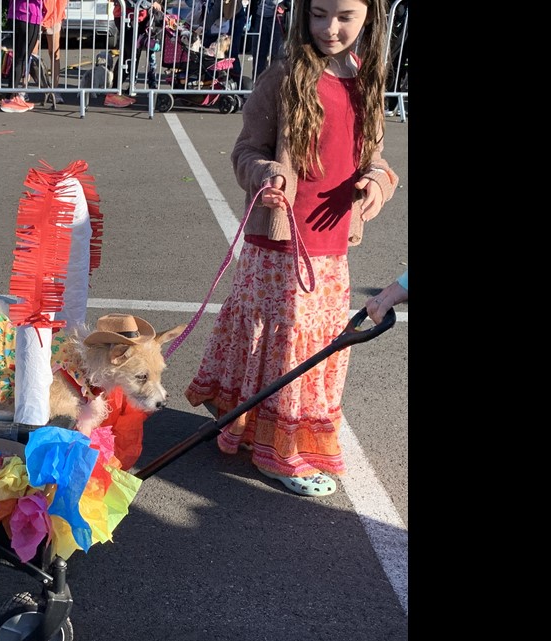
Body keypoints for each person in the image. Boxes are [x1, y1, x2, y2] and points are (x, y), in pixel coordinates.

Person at [183, 0, 397, 498]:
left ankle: (260, 426)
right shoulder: (284, 75)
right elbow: (246, 150)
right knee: (282, 342)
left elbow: (378, 159)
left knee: (311, 344)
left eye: (345, 16)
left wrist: (373, 185)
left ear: (371, 17)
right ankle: (280, 451)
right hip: (277, 241)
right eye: (319, 14)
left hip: (332, 241)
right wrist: (266, 174)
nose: (330, 28)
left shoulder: (366, 79)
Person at [0, 0, 43, 113]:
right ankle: (10, 98)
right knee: (22, 58)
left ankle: (11, 95)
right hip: (30, 15)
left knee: (19, 57)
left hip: (16, 14)